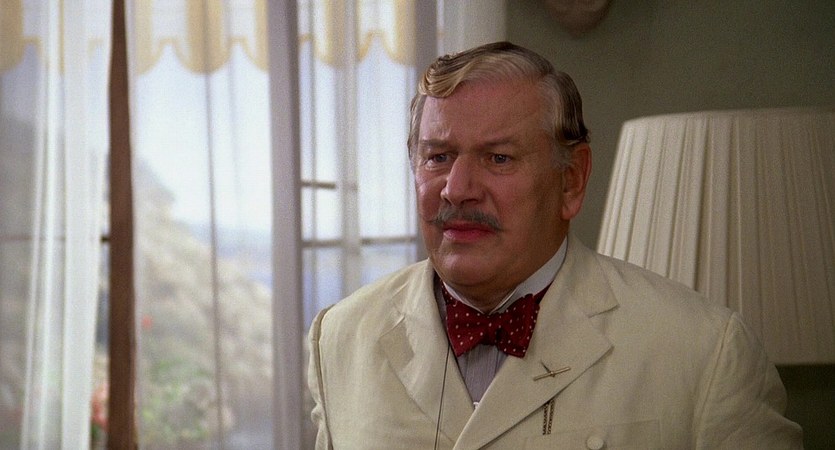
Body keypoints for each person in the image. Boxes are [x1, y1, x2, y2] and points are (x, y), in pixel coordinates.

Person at [307, 41, 802, 449]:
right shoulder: (340, 339)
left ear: (571, 181)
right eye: (438, 157)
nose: (457, 189)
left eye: (498, 158)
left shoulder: (703, 351)